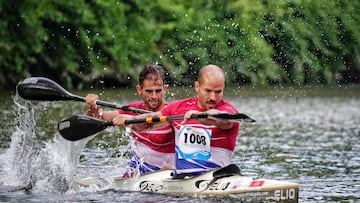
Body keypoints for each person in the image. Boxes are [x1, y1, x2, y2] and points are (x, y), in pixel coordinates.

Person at [112, 64, 240, 176]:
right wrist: (130, 120)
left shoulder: (229, 111)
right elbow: (148, 122)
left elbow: (220, 119)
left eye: (218, 92)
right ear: (197, 86)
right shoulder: (179, 107)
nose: (213, 97)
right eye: (208, 91)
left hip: (216, 177)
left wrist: (202, 116)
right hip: (181, 181)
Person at [85, 64, 175, 177]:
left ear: (165, 89)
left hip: (167, 176)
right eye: (148, 91)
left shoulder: (173, 112)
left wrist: (131, 120)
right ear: (139, 90)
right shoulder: (133, 109)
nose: (154, 96)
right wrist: (92, 107)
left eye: (158, 91)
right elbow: (94, 121)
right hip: (135, 178)